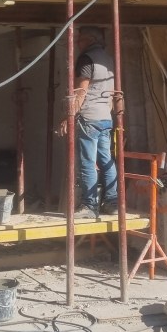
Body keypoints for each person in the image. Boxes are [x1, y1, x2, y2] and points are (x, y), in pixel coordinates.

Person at [57, 25, 118, 219]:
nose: (77, 42)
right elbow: (112, 93)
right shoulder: (108, 60)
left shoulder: (86, 59)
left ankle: (89, 206)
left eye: (80, 39)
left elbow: (80, 92)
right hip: (105, 117)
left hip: (90, 117)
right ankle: (112, 203)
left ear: (91, 40)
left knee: (87, 163)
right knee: (106, 160)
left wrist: (69, 117)